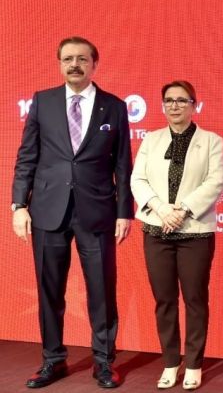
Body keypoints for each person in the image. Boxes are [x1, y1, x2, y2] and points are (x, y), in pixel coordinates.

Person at [11, 37, 133, 389]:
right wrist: (19, 205)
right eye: (67, 59)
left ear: (94, 64)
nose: (74, 64)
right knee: (49, 290)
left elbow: (122, 164)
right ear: (60, 64)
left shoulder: (114, 106)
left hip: (98, 211)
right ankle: (52, 360)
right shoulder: (43, 101)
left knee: (102, 290)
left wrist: (124, 212)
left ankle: (103, 362)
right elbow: (27, 157)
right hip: (47, 210)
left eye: (82, 59)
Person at [130, 80, 223, 390]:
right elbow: (138, 180)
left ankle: (194, 363)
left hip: (194, 232)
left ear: (194, 105)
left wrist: (182, 211)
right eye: (169, 100)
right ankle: (171, 362)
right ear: (163, 106)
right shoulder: (151, 139)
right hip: (156, 229)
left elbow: (215, 182)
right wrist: (161, 210)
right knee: (164, 300)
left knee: (195, 299)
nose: (175, 105)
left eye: (182, 100)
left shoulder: (211, 141)